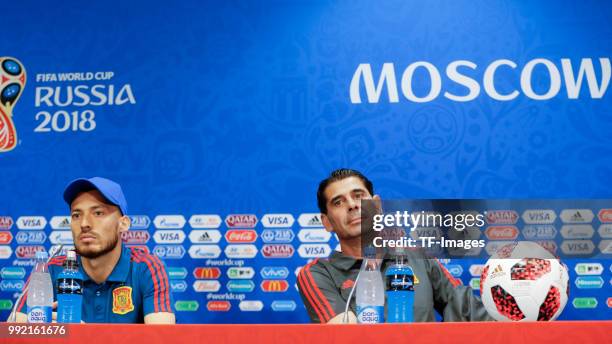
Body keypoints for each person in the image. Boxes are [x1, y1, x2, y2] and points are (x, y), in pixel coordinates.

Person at [297, 168, 491, 323]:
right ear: (327, 222)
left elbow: (468, 310)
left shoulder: (418, 257)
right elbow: (346, 337)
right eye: (338, 202)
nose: (352, 205)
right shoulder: (317, 274)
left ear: (377, 206)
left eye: (358, 195)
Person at [14, 177, 175, 323]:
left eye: (98, 213)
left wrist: (85, 337)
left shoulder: (146, 268)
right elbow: (13, 330)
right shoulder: (52, 268)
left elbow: (163, 338)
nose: (84, 224)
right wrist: (42, 330)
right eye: (76, 215)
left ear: (123, 224)